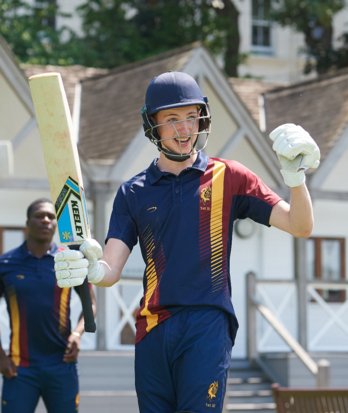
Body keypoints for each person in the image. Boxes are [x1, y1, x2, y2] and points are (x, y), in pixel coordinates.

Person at [54, 71, 320, 413]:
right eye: (172, 119)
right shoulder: (132, 192)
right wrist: (89, 267)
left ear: (202, 118)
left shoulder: (231, 177)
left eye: (192, 117)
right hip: (152, 330)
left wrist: (296, 179)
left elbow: (300, 225)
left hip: (207, 325)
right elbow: (110, 270)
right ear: (153, 125)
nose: (184, 129)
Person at [0, 198, 96, 413]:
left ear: (56, 225)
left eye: (51, 217)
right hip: (19, 367)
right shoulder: (6, 264)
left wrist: (78, 334)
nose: (45, 220)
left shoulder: (69, 261)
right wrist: (0, 356)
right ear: (27, 222)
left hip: (61, 364)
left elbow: (90, 303)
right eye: (39, 216)